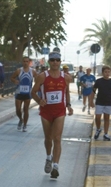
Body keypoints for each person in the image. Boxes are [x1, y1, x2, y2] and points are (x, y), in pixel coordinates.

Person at [31, 51, 73, 179]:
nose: (55, 62)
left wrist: (69, 105)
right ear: (49, 62)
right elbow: (33, 92)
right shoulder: (42, 76)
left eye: (57, 60)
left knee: (57, 138)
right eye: (53, 60)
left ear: (60, 62)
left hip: (60, 111)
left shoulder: (66, 77)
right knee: (48, 138)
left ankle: (55, 166)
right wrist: (39, 100)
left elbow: (66, 93)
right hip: (46, 112)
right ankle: (49, 157)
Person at [10, 56, 37, 131]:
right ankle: (21, 119)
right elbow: (12, 77)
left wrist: (35, 88)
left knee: (26, 109)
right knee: (18, 110)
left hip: (28, 93)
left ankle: (25, 125)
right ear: (22, 62)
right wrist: (14, 81)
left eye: (27, 61)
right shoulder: (19, 71)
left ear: (29, 62)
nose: (25, 63)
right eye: (24, 61)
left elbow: (38, 79)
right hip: (19, 92)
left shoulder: (32, 71)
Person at [90, 65, 111, 141]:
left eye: (108, 72)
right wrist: (91, 101)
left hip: (108, 103)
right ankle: (98, 129)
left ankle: (106, 134)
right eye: (105, 72)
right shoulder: (98, 81)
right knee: (98, 117)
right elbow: (93, 91)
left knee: (106, 118)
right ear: (102, 73)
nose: (107, 73)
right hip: (99, 102)